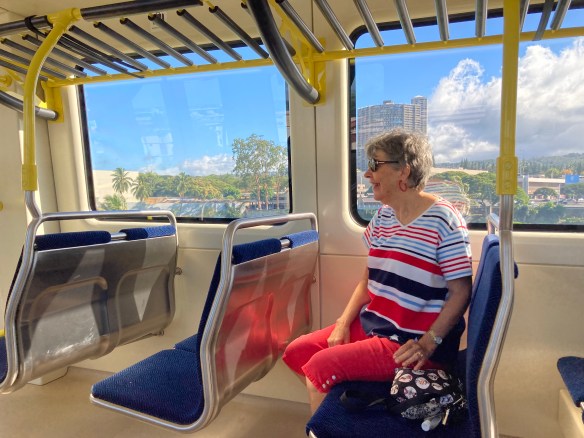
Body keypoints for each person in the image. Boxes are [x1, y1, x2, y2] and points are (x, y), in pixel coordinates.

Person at [282, 129, 473, 413]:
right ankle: (347, 413)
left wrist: (427, 344)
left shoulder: (443, 220)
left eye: (375, 164)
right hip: (375, 326)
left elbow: (461, 292)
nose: (367, 174)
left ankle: (334, 423)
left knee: (319, 369)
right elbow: (368, 279)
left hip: (410, 341)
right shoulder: (384, 216)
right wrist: (343, 322)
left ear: (404, 171)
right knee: (297, 352)